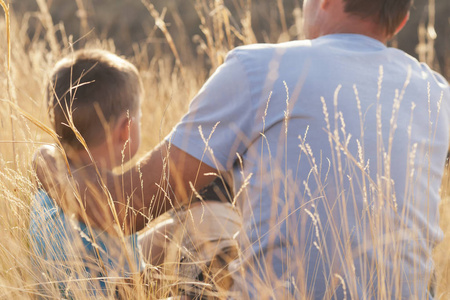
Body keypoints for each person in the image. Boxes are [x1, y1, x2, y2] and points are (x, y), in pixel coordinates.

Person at [35, 0, 450, 298]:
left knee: (206, 218)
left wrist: (51, 163)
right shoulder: (437, 94)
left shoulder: (261, 70)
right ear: (400, 22)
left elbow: (122, 209)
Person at [30, 49, 143, 297]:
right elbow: (133, 293)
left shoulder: (44, 195)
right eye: (139, 115)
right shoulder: (114, 206)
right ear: (126, 129)